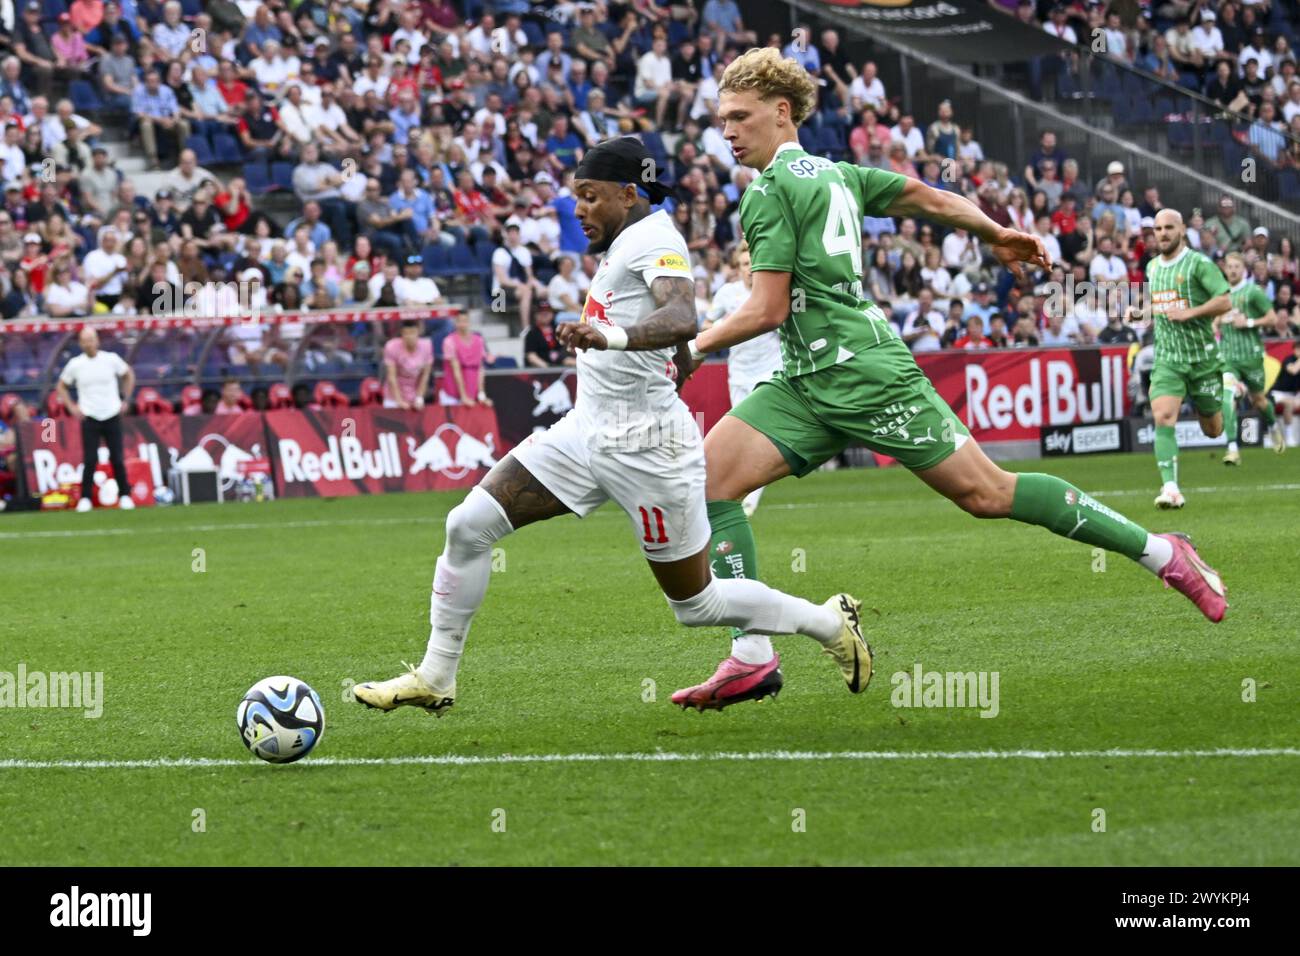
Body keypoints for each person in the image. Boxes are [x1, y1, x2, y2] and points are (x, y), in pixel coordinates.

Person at [672, 48, 1228, 710]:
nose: (726, 131)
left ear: (781, 112)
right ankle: (752, 656)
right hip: (807, 381)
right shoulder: (837, 173)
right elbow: (923, 196)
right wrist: (995, 231)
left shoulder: (769, 192)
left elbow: (766, 308)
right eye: (721, 119)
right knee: (710, 484)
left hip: (867, 377)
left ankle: (1164, 552)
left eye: (739, 116)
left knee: (989, 493)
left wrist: (689, 345)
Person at [352, 138, 864, 717]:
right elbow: (671, 332)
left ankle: (826, 622)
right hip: (584, 432)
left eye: (590, 197)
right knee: (467, 525)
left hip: (648, 449)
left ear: (628, 194)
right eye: (577, 198)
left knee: (694, 605)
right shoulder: (623, 240)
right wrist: (669, 352)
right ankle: (436, 676)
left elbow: (680, 314)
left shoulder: (657, 238)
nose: (579, 211)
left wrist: (615, 337)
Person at [1124, 209, 1233, 508]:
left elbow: (1225, 300)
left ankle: (1226, 396)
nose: (1162, 233)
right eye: (1158, 229)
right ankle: (1170, 488)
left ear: (1182, 229)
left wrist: (1191, 313)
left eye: (1169, 227)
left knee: (1213, 430)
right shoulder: (1152, 267)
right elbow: (1161, 306)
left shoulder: (1199, 264)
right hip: (1168, 359)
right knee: (1163, 416)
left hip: (1202, 359)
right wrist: (1141, 313)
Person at [701, 241, 779, 516]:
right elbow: (707, 326)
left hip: (770, 373)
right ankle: (745, 489)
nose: (750, 270)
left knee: (763, 434)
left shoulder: (771, 294)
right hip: (740, 375)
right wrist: (727, 325)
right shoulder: (727, 294)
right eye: (745, 264)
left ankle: (750, 498)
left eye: (754, 264)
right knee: (744, 436)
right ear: (738, 267)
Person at [56, 326, 135, 512]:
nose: (88, 343)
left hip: (112, 413)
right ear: (80, 343)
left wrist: (126, 399)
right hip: (90, 415)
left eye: (91, 339)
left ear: (97, 340)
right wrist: (72, 407)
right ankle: (85, 498)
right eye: (84, 340)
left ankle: (124, 495)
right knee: (90, 459)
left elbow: (129, 375)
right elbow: (61, 386)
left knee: (117, 457)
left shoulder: (111, 359)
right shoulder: (76, 364)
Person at [1217, 252, 1286, 460]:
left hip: (1252, 357)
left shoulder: (1253, 292)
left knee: (1259, 401)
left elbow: (1272, 318)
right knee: (1227, 397)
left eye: (1237, 266)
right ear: (1225, 269)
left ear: (1243, 269)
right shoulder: (1220, 294)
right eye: (1230, 266)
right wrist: (1215, 323)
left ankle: (1273, 426)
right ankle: (1232, 448)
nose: (1233, 270)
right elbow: (1215, 318)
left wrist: (1248, 322)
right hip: (1228, 358)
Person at [439, 312, 494, 407]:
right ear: (455, 323)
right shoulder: (449, 341)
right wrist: (463, 397)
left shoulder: (479, 340)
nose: (462, 324)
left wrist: (481, 395)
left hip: (472, 393)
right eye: (459, 321)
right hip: (452, 396)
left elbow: (480, 369)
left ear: (469, 322)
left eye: (465, 321)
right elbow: (456, 371)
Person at [382, 319, 432, 410]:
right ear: (402, 334)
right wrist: (399, 401)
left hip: (414, 396)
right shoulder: (391, 346)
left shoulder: (427, 346)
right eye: (406, 333)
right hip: (393, 398)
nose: (410, 336)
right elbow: (391, 377)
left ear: (418, 332)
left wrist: (419, 398)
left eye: (413, 332)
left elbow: (425, 375)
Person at [523, 301, 573, 367]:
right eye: (541, 312)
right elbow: (531, 356)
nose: (544, 314)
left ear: (552, 314)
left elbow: (567, 349)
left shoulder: (558, 329)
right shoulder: (532, 333)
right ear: (535, 315)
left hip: (560, 364)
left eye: (547, 312)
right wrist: (547, 368)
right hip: (540, 369)